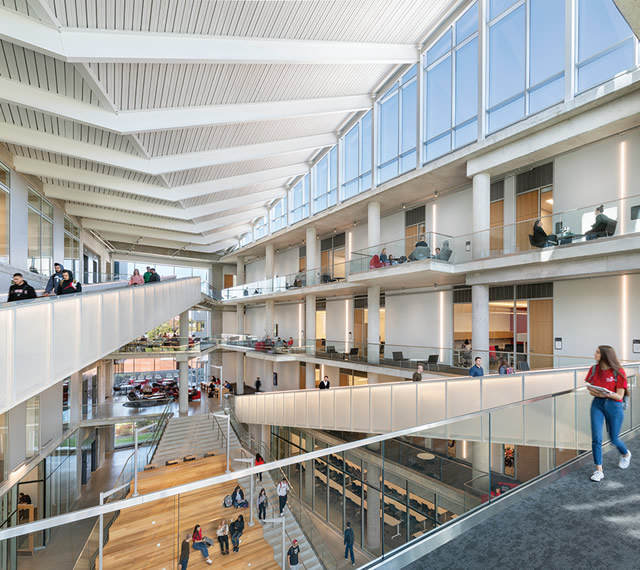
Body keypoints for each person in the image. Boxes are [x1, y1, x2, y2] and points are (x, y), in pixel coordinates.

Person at [586, 345, 631, 481]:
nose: (595, 354)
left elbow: (619, 396)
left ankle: (626, 454)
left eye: (598, 352)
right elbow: (590, 389)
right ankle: (599, 470)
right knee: (596, 438)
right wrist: (600, 393)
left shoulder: (619, 372)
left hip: (614, 406)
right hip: (597, 405)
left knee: (614, 439)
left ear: (606, 355)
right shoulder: (594, 369)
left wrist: (603, 393)